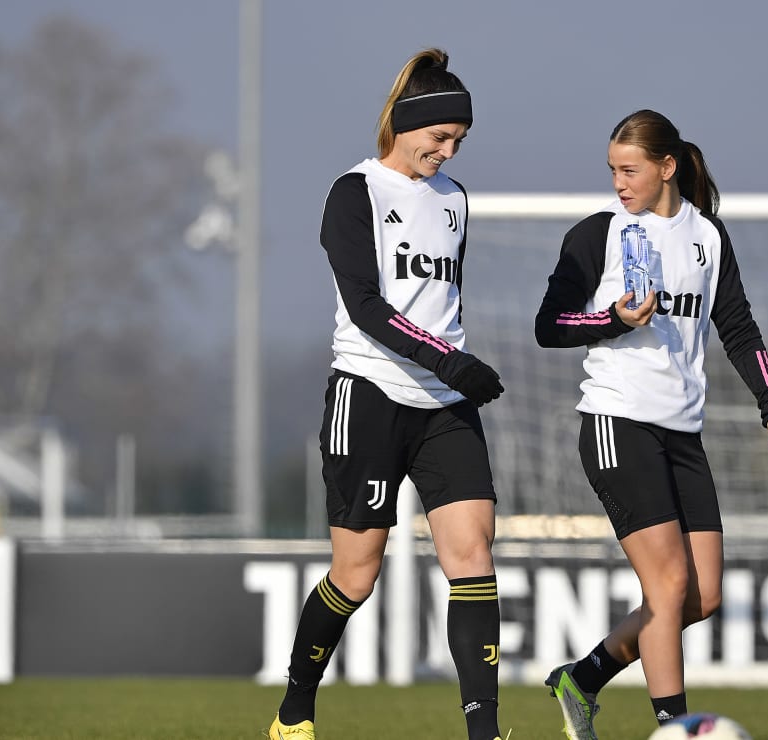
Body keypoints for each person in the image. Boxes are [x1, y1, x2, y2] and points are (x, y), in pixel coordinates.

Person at [534, 109, 768, 739]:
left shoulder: (708, 238)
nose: (619, 183)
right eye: (612, 171)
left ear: (667, 166)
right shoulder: (596, 234)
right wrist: (612, 320)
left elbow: (738, 328)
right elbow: (549, 325)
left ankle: (583, 679)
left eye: (630, 170)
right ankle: (675, 729)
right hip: (617, 421)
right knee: (668, 583)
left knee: (700, 597)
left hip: (683, 432)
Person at [268, 48, 506, 740]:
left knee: (472, 553)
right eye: (440, 137)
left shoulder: (456, 200)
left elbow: (440, 303)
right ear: (406, 126)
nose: (449, 151)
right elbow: (369, 307)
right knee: (357, 571)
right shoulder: (354, 192)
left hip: (445, 406)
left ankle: (484, 732)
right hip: (368, 396)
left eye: (458, 141)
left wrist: (451, 370)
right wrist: (450, 361)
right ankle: (294, 709)